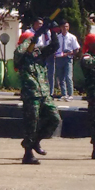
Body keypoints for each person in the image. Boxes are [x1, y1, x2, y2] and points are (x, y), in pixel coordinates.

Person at [13, 27, 61, 164]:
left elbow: (54, 46)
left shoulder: (38, 53)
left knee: (55, 119)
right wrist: (29, 39)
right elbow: (18, 52)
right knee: (31, 124)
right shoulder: (21, 57)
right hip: (31, 94)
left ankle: (36, 141)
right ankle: (28, 154)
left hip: (44, 93)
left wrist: (52, 31)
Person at [53, 21, 80, 99]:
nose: (65, 28)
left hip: (68, 58)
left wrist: (68, 54)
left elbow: (76, 49)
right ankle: (63, 94)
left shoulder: (72, 37)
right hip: (59, 58)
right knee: (60, 77)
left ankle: (70, 94)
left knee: (68, 76)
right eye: (64, 26)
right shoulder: (58, 37)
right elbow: (55, 47)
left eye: (67, 27)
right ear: (61, 27)